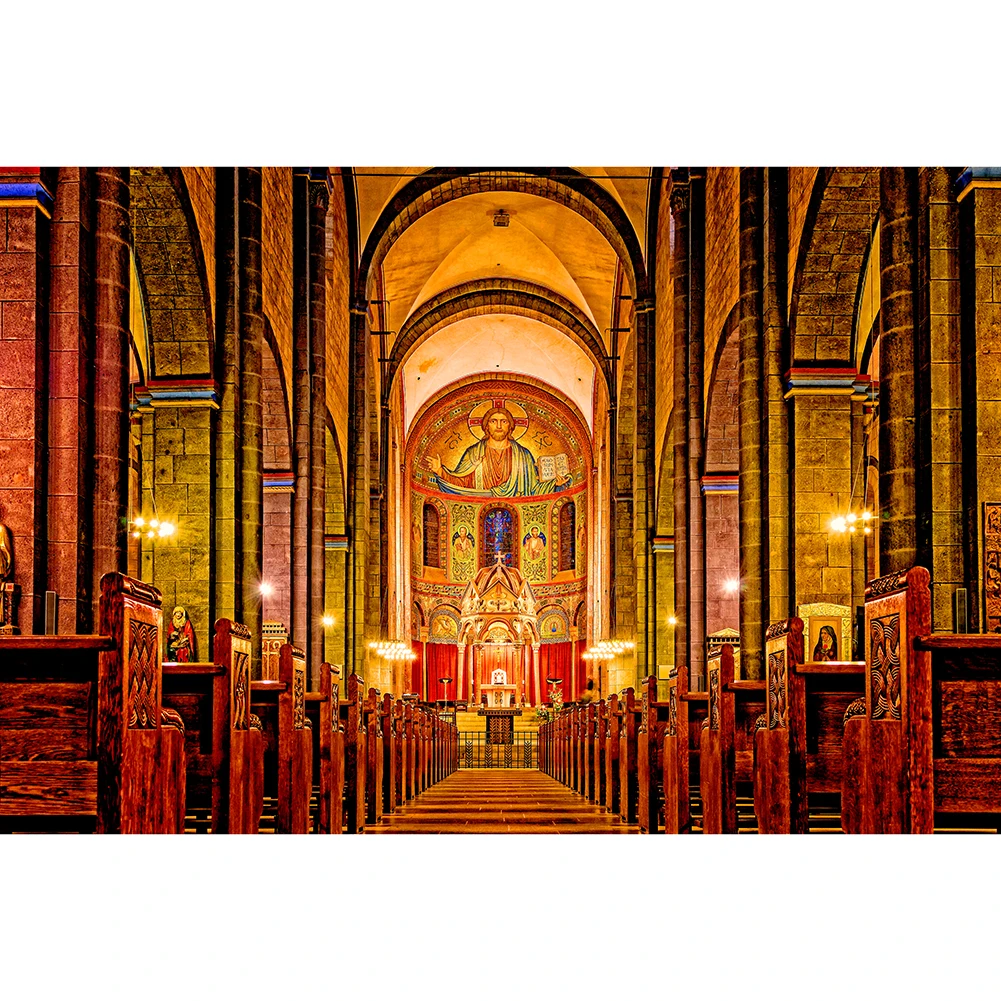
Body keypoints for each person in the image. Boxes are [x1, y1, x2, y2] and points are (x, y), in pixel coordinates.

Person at [429, 406, 570, 497]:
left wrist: (554, 484)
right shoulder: (473, 453)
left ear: (510, 427)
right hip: (480, 505)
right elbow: (460, 482)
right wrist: (440, 471)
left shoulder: (523, 455)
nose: (498, 426)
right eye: (493, 421)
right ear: (486, 426)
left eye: (504, 422)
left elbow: (534, 489)